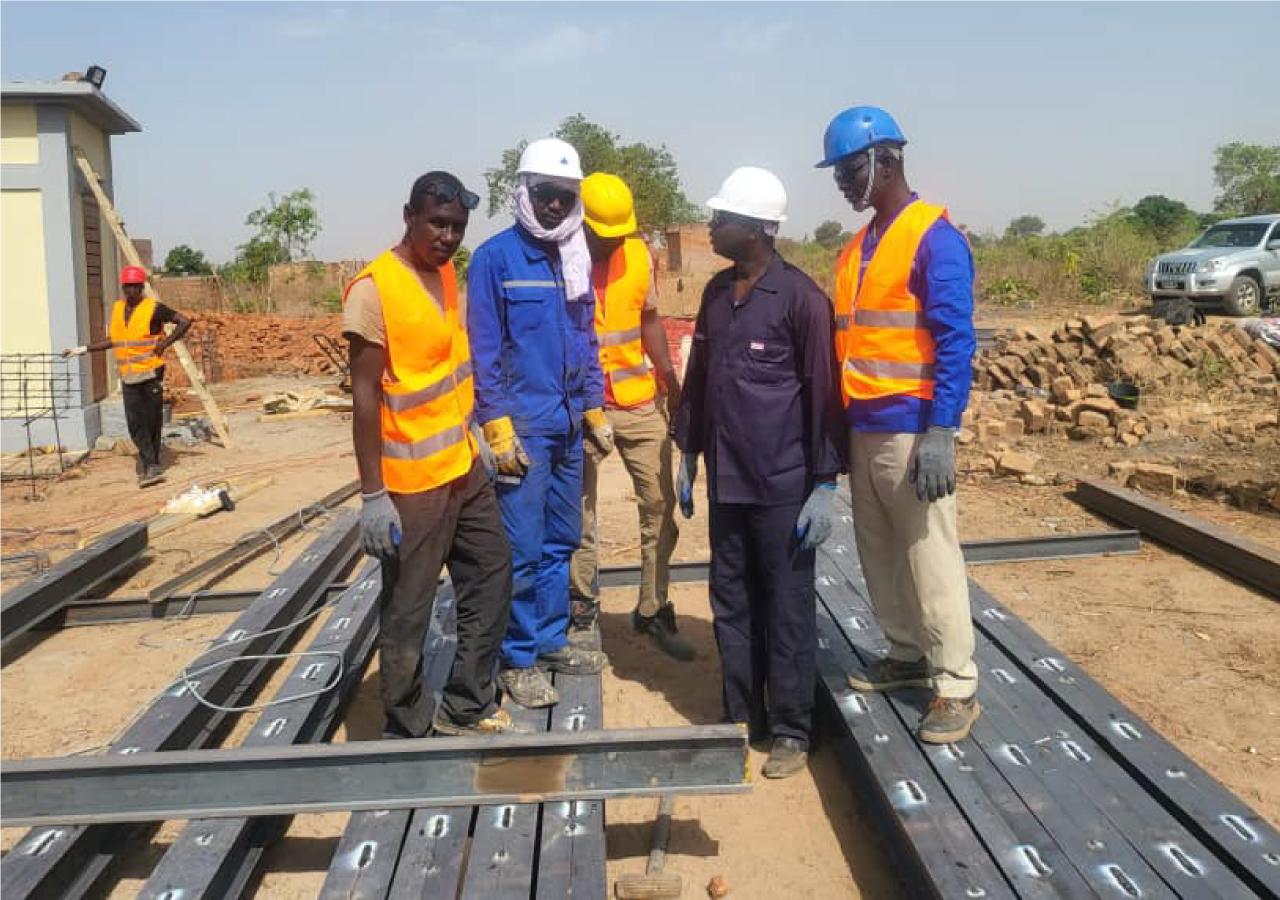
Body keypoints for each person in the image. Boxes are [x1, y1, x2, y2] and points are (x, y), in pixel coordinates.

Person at [817, 105, 980, 743]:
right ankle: (907, 654)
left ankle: (954, 683)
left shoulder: (934, 236)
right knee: (879, 550)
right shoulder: (857, 247)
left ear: (886, 160)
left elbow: (954, 340)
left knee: (929, 554)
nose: (840, 183)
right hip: (865, 425)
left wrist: (943, 432)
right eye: (836, 173)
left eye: (848, 169)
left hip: (913, 429)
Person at [674, 167, 843, 779]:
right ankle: (743, 715)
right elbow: (698, 382)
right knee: (731, 599)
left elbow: (825, 395)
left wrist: (825, 482)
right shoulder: (717, 295)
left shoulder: (801, 300)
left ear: (757, 229)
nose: (712, 226)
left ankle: (794, 728)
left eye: (722, 219)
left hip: (783, 484)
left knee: (788, 604)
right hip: (728, 480)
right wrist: (688, 454)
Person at [343, 171, 521, 737]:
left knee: (492, 574)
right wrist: (373, 494)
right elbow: (365, 396)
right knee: (410, 608)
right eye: (437, 224)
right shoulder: (374, 289)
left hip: (463, 468)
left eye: (458, 227)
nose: (448, 236)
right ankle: (408, 721)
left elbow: (450, 371)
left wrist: (477, 436)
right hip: (411, 482)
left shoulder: (446, 275)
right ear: (409, 216)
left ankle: (466, 704)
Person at [467, 138, 611, 709]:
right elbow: (485, 349)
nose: (555, 206)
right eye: (546, 195)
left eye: (565, 196)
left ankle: (551, 640)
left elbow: (586, 339)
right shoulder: (495, 259)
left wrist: (594, 406)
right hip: (523, 428)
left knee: (561, 539)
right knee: (522, 547)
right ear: (524, 193)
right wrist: (496, 426)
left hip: (569, 425)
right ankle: (518, 656)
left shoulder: (573, 256)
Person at [568, 172, 692, 662]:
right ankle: (581, 612)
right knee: (578, 518)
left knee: (659, 508)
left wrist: (672, 381)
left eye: (618, 235)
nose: (611, 243)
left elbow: (648, 322)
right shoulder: (561, 259)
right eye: (604, 235)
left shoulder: (640, 256)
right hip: (581, 407)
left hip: (639, 402)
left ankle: (652, 606)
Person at [63, 266, 192, 487]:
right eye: (128, 286)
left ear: (142, 287)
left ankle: (151, 464)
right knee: (134, 422)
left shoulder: (154, 308)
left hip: (151, 372)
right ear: (123, 287)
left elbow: (185, 321)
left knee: (151, 420)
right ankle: (149, 461)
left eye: (136, 286)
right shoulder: (118, 308)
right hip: (129, 375)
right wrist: (83, 349)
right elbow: (114, 340)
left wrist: (164, 343)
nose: (132, 290)